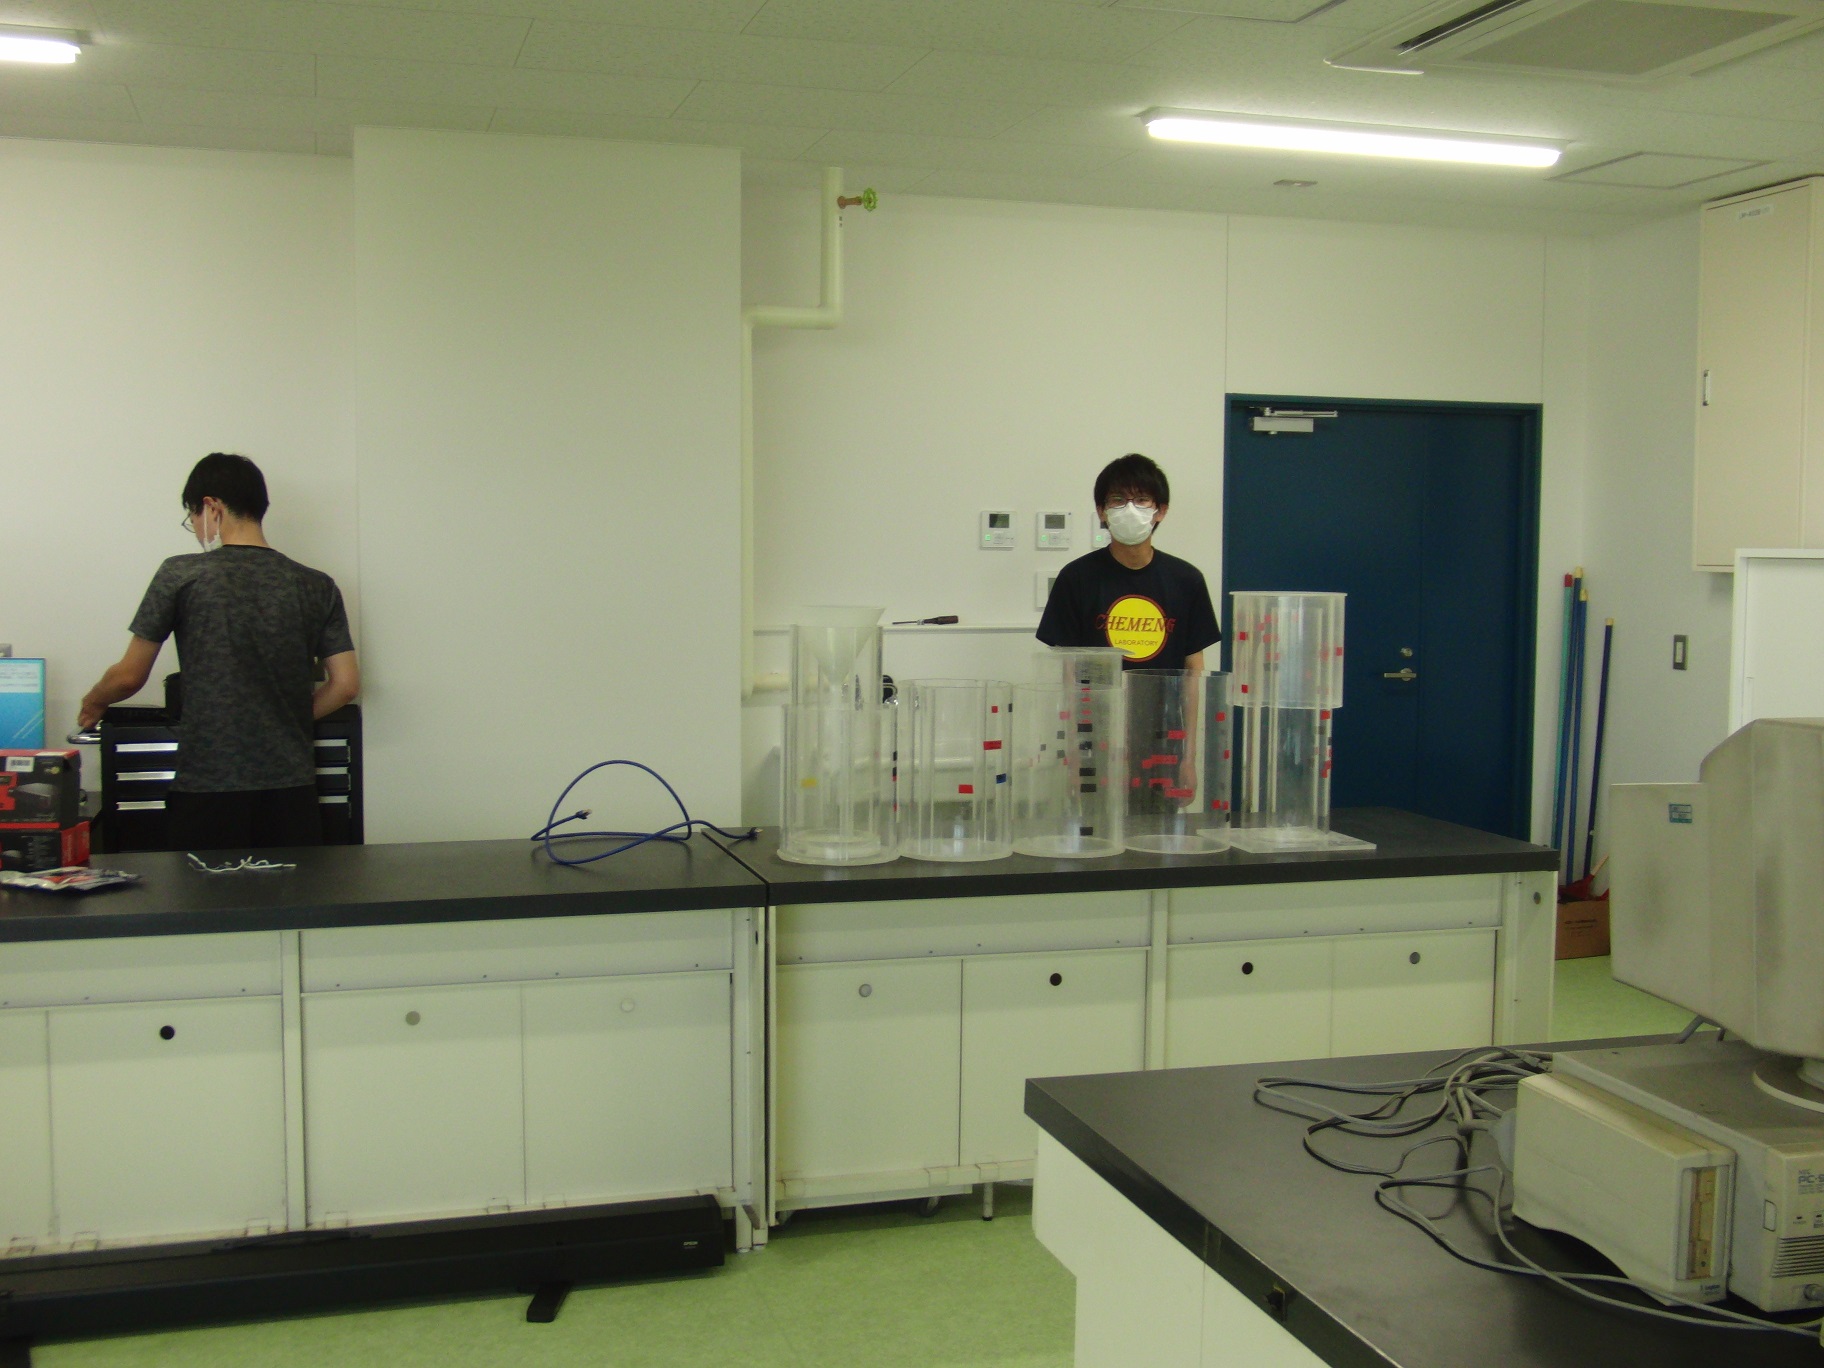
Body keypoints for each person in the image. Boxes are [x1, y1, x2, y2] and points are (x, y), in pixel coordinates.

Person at [79, 453, 359, 851]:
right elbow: (346, 686)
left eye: (192, 516)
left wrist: (93, 701)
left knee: (205, 892)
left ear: (212, 507)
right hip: (291, 791)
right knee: (291, 891)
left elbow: (128, 677)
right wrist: (283, 717)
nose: (195, 528)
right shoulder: (317, 585)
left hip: (207, 788)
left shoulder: (181, 574)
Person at [1036, 453, 1221, 670]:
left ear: (1160, 511)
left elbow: (1194, 665)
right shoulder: (1076, 577)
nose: (1130, 509)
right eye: (1118, 500)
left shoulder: (1187, 580)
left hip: (1165, 693)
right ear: (1102, 511)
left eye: (1142, 500)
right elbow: (1068, 665)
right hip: (1098, 693)